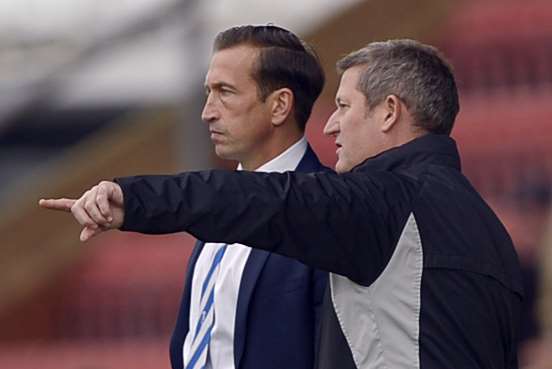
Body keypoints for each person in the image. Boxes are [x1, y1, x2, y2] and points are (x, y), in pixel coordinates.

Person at [40, 39, 524, 369]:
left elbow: (267, 198)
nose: (331, 126)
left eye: (344, 107)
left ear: (390, 112)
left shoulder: (385, 204)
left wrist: (134, 199)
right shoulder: (491, 232)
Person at [45, 25, 328, 369]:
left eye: (224, 92)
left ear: (280, 105)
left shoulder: (327, 211)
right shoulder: (218, 207)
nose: (207, 111)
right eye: (208, 92)